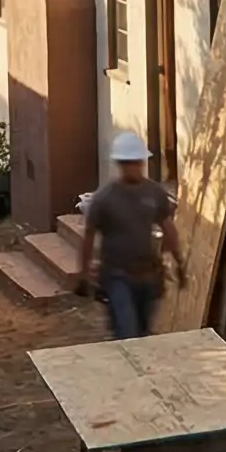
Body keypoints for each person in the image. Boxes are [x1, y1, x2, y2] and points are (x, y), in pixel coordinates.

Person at [80, 131, 179, 340]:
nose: (134, 167)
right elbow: (89, 236)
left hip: (148, 276)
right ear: (120, 164)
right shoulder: (105, 199)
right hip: (117, 276)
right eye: (128, 163)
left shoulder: (154, 193)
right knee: (127, 332)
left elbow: (167, 225)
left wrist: (178, 261)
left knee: (143, 333)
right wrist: (84, 273)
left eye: (137, 162)